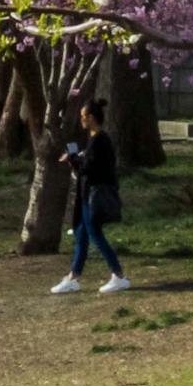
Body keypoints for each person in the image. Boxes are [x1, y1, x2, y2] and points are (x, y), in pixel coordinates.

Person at [54, 94, 131, 294]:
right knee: (81, 235)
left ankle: (119, 275)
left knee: (95, 235)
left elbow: (88, 168)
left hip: (93, 195)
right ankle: (73, 277)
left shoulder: (99, 141)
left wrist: (73, 159)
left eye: (83, 116)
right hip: (87, 193)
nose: (81, 120)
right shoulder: (94, 140)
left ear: (91, 117)